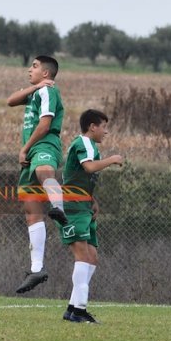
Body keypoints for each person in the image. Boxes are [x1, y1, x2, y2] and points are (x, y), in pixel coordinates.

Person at [6, 55, 68, 294]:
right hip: (31, 152)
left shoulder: (48, 93)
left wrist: (24, 147)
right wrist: (34, 87)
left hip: (43, 144)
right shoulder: (36, 91)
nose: (28, 69)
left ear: (46, 73)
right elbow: (10, 101)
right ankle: (37, 269)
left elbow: (44, 125)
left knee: (45, 171)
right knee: (32, 211)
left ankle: (58, 206)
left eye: (34, 66)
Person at [57, 109, 123, 323]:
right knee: (83, 257)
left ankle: (72, 309)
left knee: (92, 257)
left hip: (83, 205)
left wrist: (92, 199)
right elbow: (88, 167)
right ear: (92, 127)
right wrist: (112, 159)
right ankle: (79, 310)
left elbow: (78, 176)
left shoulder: (90, 146)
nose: (106, 131)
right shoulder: (84, 143)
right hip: (73, 207)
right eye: (104, 126)